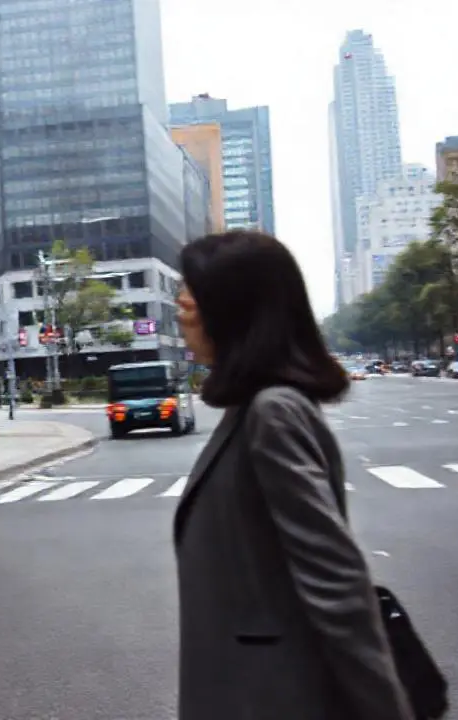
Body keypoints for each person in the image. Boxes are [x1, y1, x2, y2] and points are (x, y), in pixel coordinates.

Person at [173, 231, 411, 720]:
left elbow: (335, 579)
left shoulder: (273, 412)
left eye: (191, 295)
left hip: (273, 699)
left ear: (232, 309)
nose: (180, 308)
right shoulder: (251, 408)